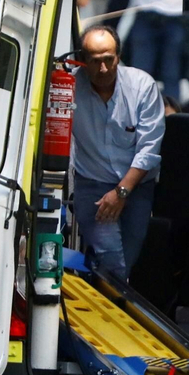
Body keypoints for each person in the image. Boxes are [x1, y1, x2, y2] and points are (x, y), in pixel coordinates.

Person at [69, 25, 164, 282]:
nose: (102, 69)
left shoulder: (141, 86)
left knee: (125, 261)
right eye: (95, 61)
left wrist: (122, 192)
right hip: (93, 185)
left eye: (108, 60)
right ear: (82, 61)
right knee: (113, 263)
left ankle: (96, 297)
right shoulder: (69, 87)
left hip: (137, 186)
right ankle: (109, 314)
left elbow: (149, 148)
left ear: (118, 57)